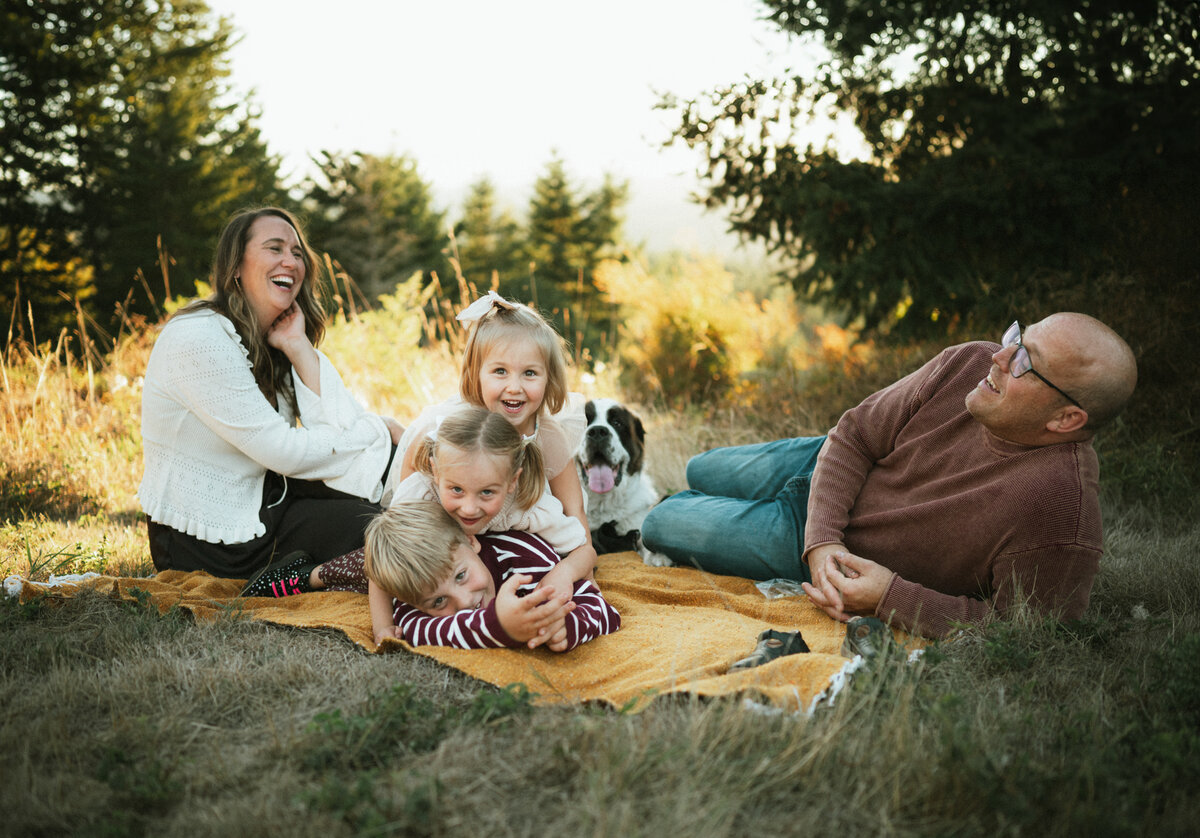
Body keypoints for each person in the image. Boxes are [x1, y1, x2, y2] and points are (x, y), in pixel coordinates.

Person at [641, 313, 1138, 638]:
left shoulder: (1061, 512)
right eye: (1016, 337)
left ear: (1065, 420)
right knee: (697, 467)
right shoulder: (966, 362)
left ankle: (712, 510)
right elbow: (855, 433)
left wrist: (889, 597)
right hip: (824, 469)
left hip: (816, 545)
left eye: (1026, 360)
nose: (999, 356)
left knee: (661, 522)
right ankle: (725, 502)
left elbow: (1026, 631)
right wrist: (823, 540)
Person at [138, 206, 402, 582]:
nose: (290, 262)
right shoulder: (199, 339)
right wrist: (376, 431)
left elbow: (338, 419)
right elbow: (285, 452)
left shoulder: (270, 340)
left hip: (268, 499)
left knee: (383, 471)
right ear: (236, 266)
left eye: (297, 253)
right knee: (382, 528)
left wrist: (297, 345)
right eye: (274, 249)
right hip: (213, 541)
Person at [395, 290, 597, 591]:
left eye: (529, 373)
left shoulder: (548, 437)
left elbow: (574, 510)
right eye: (500, 372)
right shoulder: (456, 426)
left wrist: (585, 578)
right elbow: (412, 471)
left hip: (518, 524)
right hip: (457, 519)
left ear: (548, 378)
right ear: (477, 375)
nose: (513, 387)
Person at [364, 501, 621, 651]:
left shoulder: (527, 565)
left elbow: (605, 611)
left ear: (471, 541)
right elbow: (415, 629)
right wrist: (499, 625)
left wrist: (568, 625)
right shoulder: (414, 588)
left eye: (462, 576)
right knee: (359, 566)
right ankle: (322, 574)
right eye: (438, 602)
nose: (464, 601)